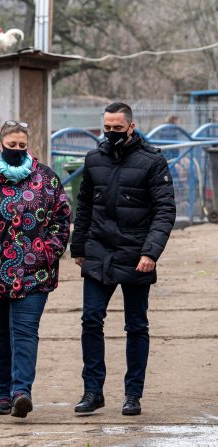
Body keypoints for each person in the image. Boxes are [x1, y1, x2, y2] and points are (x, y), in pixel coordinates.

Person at [0, 120, 70, 418]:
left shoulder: (46, 178)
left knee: (24, 331)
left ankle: (22, 392)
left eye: (22, 146)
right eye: (12, 146)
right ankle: (3, 394)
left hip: (34, 272)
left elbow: (61, 219)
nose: (17, 150)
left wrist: (48, 252)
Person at [71, 102, 176, 416]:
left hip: (135, 255)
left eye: (118, 128)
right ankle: (93, 391)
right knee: (90, 320)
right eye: (107, 128)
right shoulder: (94, 159)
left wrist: (150, 252)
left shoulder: (153, 161)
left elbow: (164, 211)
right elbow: (85, 205)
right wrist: (78, 248)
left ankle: (133, 395)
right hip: (98, 252)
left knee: (136, 326)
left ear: (131, 126)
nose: (112, 133)